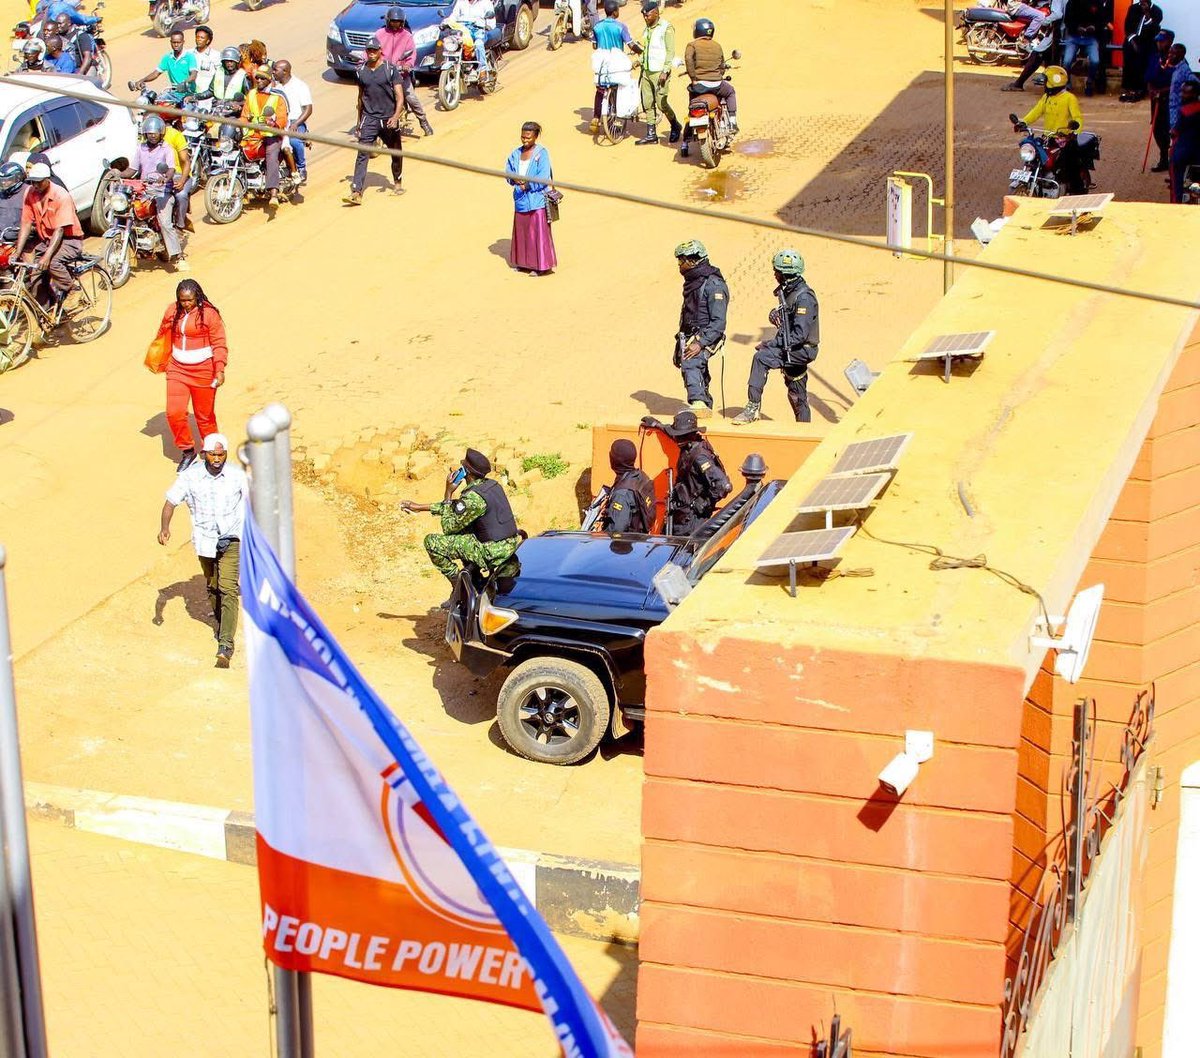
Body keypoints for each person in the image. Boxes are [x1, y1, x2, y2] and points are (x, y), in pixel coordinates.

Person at [159, 433, 248, 669]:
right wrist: (164, 528)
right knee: (213, 585)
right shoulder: (190, 477)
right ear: (204, 454)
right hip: (205, 541)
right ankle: (221, 621)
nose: (217, 459)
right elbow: (170, 502)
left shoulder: (238, 476)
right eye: (213, 454)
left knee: (228, 588)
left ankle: (225, 645)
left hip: (232, 537)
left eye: (221, 454)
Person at [399, 448, 521, 604]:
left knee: (432, 543)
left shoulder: (473, 497)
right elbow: (458, 509)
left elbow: (449, 526)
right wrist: (420, 507)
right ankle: (475, 580)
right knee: (466, 531)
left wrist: (448, 492)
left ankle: (460, 587)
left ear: (466, 472)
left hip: (492, 552)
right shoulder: (491, 485)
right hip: (508, 544)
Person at [732, 249, 820, 426]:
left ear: (785, 275)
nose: (774, 274)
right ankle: (804, 428)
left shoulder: (804, 298)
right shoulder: (789, 291)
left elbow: (799, 335)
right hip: (794, 348)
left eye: (777, 271)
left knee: (761, 358)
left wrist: (771, 344)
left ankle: (752, 408)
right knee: (797, 392)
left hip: (801, 350)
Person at [154, 279, 228, 471]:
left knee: (205, 417)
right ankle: (188, 451)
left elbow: (219, 343)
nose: (186, 304)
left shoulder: (210, 315)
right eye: (182, 300)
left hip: (204, 372)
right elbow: (163, 334)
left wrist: (219, 369)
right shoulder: (172, 310)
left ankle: (212, 453)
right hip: (178, 369)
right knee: (174, 413)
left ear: (198, 297)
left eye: (189, 300)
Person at [640, 410, 731, 534]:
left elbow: (724, 485)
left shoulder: (700, 457)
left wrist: (704, 503)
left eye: (681, 435)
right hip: (680, 512)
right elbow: (671, 433)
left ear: (691, 434)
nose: (677, 438)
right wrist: (657, 424)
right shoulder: (688, 443)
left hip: (691, 520)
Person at [12, 162, 83, 310]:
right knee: (35, 275)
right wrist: (17, 252)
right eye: (32, 182)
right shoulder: (30, 193)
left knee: (52, 263)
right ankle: (47, 311)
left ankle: (72, 289)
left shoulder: (61, 195)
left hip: (69, 240)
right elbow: (25, 223)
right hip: (46, 240)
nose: (35, 185)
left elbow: (60, 230)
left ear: (47, 179)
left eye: (38, 182)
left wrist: (47, 256)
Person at [344, 37, 405, 206]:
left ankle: (397, 183)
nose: (371, 53)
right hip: (369, 119)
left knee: (396, 152)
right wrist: (359, 122)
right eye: (368, 50)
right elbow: (360, 98)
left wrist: (395, 116)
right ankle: (356, 192)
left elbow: (400, 96)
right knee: (362, 153)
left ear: (380, 51)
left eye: (374, 50)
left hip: (388, 119)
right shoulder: (360, 71)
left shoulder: (390, 70)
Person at [120, 114, 185, 266]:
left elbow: (171, 168)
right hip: (145, 189)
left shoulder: (166, 149)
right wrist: (117, 174)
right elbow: (132, 169)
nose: (153, 136)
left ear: (161, 133)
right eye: (150, 133)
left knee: (165, 222)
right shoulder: (141, 148)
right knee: (129, 211)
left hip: (162, 190)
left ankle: (178, 255)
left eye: (155, 133)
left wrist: (165, 177)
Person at [672, 239, 728, 417]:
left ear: (694, 260)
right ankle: (705, 405)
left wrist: (700, 343)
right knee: (691, 367)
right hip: (691, 333)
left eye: (682, 261)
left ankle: (699, 402)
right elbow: (687, 314)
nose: (680, 265)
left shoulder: (714, 285)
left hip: (710, 334)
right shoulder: (693, 283)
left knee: (692, 361)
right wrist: (678, 346)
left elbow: (718, 323)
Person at [505, 121, 557, 276]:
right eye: (523, 137)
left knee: (537, 234)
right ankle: (523, 263)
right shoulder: (515, 154)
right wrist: (514, 180)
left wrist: (527, 185)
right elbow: (508, 172)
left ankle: (540, 266)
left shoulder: (542, 153)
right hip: (520, 201)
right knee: (522, 233)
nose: (525, 140)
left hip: (537, 200)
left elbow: (543, 176)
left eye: (528, 137)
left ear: (535, 137)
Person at [377, 7, 435, 137]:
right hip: (382, 73)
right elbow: (371, 50)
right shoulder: (380, 34)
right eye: (393, 21)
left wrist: (407, 65)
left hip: (400, 75)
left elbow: (412, 54)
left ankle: (423, 121)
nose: (395, 24)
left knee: (411, 97)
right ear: (388, 21)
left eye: (398, 22)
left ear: (402, 22)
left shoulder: (407, 36)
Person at [682, 15, 737, 152]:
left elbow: (689, 60)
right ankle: (733, 122)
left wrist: (693, 77)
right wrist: (719, 74)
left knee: (692, 107)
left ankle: (685, 141)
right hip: (717, 85)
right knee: (730, 92)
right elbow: (722, 65)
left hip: (699, 86)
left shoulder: (692, 45)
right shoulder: (717, 46)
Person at [632, 0, 680, 145]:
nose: (645, 18)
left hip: (660, 72)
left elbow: (670, 51)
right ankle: (651, 134)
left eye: (647, 15)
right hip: (647, 71)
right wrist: (639, 61)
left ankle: (675, 125)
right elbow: (647, 49)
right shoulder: (646, 29)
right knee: (647, 103)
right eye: (644, 16)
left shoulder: (666, 28)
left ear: (656, 13)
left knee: (661, 103)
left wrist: (665, 71)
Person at [240, 66, 289, 208]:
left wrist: (273, 123)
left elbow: (282, 119)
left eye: (263, 78)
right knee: (239, 153)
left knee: (271, 155)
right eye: (257, 78)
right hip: (252, 135)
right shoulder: (251, 94)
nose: (259, 81)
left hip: (272, 135)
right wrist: (240, 126)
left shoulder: (278, 96)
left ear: (269, 80)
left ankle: (273, 193)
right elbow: (244, 115)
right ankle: (243, 191)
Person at [590, 0, 632, 134]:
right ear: (615, 12)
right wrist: (640, 51)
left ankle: (596, 118)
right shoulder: (620, 27)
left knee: (600, 90)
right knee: (621, 89)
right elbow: (630, 44)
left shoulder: (597, 26)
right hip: (616, 62)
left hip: (602, 63)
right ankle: (619, 117)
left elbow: (594, 46)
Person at [601, 439, 656, 534]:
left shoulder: (621, 495)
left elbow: (616, 531)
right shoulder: (640, 476)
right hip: (641, 537)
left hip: (626, 545)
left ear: (613, 460)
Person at [272, 61, 312, 186]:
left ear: (285, 71)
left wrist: (295, 124)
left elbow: (308, 109)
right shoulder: (275, 88)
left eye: (275, 70)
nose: (273, 72)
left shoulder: (300, 86)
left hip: (295, 122)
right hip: (278, 122)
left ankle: (301, 167)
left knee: (294, 142)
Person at [1061, 0, 1108, 97]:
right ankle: (1067, 82)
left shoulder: (1097, 3)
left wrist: (1094, 27)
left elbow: (1102, 21)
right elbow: (1067, 21)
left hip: (1091, 38)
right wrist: (1077, 28)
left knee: (1095, 61)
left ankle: (1090, 81)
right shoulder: (1072, 2)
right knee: (1067, 61)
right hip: (1074, 37)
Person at [1119, 0, 1164, 102]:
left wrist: (1147, 13)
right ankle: (1128, 88)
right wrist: (1133, 42)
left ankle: (1140, 89)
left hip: (1147, 40)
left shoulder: (1157, 11)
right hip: (1132, 40)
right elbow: (1127, 27)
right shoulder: (1133, 8)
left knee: (1142, 59)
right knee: (1129, 57)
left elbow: (1154, 29)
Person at [132, 31, 199, 96]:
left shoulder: (189, 56)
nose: (176, 45)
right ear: (170, 42)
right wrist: (142, 80)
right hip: (174, 93)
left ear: (183, 42)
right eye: (174, 42)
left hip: (189, 94)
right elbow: (156, 73)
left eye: (178, 42)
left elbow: (194, 74)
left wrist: (184, 83)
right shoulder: (167, 57)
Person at [445, 0, 497, 79]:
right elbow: (454, 16)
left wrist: (488, 26)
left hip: (479, 31)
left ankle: (482, 69)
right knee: (452, 43)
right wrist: (446, 23)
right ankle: (455, 66)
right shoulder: (461, 1)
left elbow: (491, 20)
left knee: (478, 44)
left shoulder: (486, 2)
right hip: (464, 31)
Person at [1170, 78, 1200, 202]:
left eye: (1185, 93)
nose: (1182, 95)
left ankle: (1177, 199)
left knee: (1175, 171)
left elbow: (1176, 131)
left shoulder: (1184, 111)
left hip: (1184, 152)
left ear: (1193, 94)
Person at [54, 13, 96, 82]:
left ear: (69, 23)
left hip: (85, 69)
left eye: (60, 23)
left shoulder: (81, 35)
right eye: (57, 24)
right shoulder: (58, 38)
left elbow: (88, 57)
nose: (58, 26)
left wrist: (80, 74)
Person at [188, 25, 220, 98]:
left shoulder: (215, 55)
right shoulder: (188, 54)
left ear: (208, 40)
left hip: (206, 95)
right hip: (189, 93)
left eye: (202, 38)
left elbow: (220, 75)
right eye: (197, 37)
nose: (198, 39)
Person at [0, 162, 28, 235]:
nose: (3, 183)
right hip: (2, 241)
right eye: (2, 180)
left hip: (22, 241)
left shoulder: (29, 193)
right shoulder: (1, 194)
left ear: (17, 178)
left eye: (8, 180)